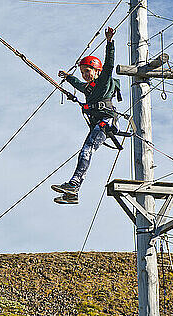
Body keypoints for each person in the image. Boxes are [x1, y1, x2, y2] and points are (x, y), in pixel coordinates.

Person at [52, 27, 121, 204]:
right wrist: (68, 77)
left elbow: (109, 64)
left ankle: (74, 185)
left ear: (97, 71)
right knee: (85, 151)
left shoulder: (104, 80)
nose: (84, 75)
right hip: (99, 123)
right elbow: (77, 84)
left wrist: (109, 43)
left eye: (88, 71)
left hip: (107, 121)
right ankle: (73, 194)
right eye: (83, 72)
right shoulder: (88, 87)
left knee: (87, 150)